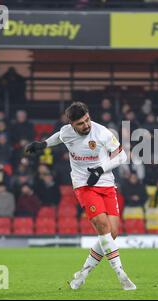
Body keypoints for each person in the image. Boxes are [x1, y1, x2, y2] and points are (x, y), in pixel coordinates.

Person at [25, 101, 135, 290]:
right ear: (71, 124)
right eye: (81, 123)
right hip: (84, 185)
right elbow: (59, 137)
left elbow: (122, 156)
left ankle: (82, 275)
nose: (86, 125)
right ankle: (121, 274)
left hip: (106, 183)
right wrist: (43, 144)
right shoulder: (67, 131)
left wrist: (100, 169)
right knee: (102, 226)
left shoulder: (102, 132)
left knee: (112, 233)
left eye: (87, 120)